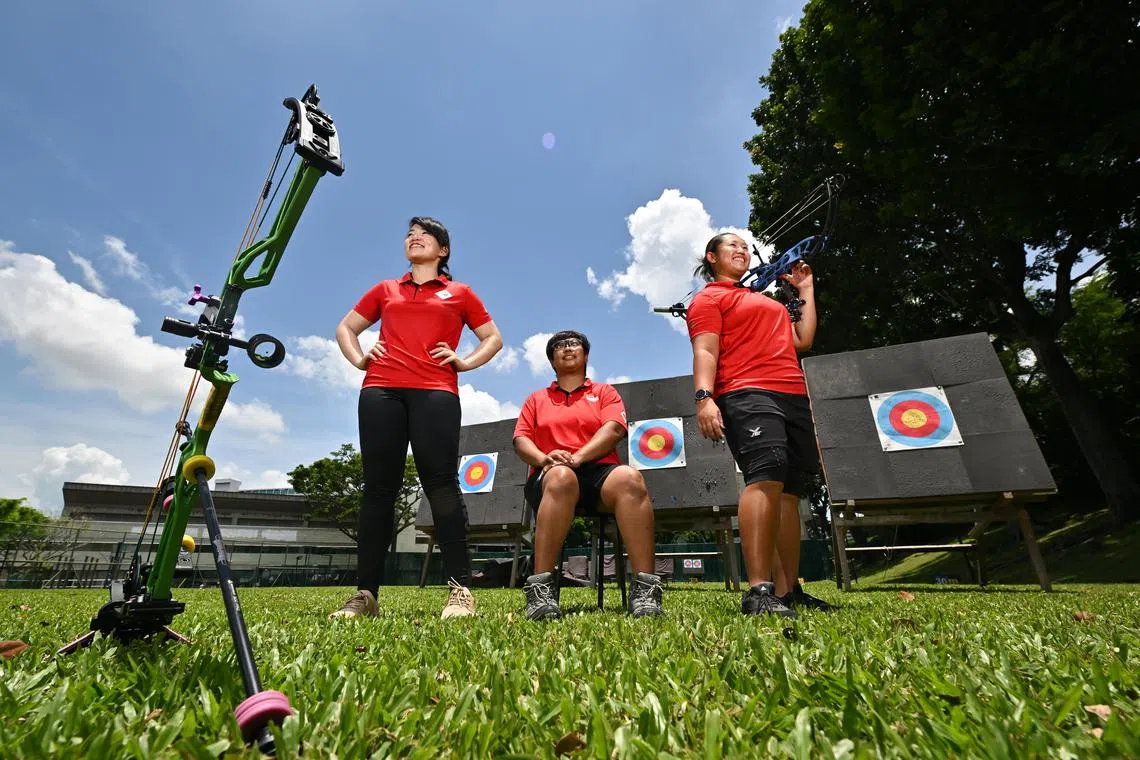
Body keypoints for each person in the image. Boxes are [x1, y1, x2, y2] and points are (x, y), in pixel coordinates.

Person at [330, 217, 503, 619]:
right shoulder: (386, 289)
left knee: (441, 484)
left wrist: (464, 362)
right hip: (381, 390)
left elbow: (492, 337)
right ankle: (365, 596)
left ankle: (460, 593)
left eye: (425, 234)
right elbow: (346, 328)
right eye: (410, 233)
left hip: (436, 393)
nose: (414, 237)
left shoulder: (460, 293)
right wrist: (359, 359)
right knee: (377, 489)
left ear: (443, 250)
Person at [686, 232, 832, 618]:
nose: (742, 250)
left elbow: (802, 339)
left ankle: (788, 591)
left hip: (792, 392)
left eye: (746, 247)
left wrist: (806, 287)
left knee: (790, 490)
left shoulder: (764, 301)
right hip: (746, 391)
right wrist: (704, 398)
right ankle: (758, 591)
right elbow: (705, 348)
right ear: (711, 256)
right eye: (731, 246)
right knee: (764, 476)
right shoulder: (709, 298)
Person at [512, 330, 664, 620]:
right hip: (549, 476)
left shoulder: (605, 392)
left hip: (597, 472)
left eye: (574, 344)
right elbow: (521, 440)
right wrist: (545, 459)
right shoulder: (536, 399)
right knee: (560, 477)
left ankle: (646, 590)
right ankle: (540, 592)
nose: (567, 348)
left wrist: (578, 457)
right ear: (552, 362)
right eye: (559, 346)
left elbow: (614, 429)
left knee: (630, 478)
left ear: (586, 356)